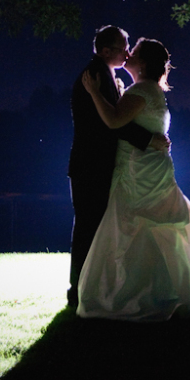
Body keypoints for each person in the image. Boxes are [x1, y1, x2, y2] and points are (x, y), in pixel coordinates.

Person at [77, 38, 190, 320]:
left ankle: (142, 294)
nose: (129, 53)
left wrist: (94, 92)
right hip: (152, 168)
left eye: (135, 51)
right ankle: (167, 290)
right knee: (158, 230)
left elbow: (114, 121)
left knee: (137, 227)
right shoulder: (149, 90)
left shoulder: (141, 90)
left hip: (138, 171)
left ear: (143, 63)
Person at [67, 26, 169, 307]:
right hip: (91, 165)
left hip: (98, 165)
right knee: (88, 228)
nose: (127, 52)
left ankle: (91, 288)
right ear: (106, 51)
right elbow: (112, 124)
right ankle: (79, 291)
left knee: (94, 228)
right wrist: (148, 139)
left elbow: (115, 119)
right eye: (124, 47)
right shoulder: (96, 75)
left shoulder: (104, 74)